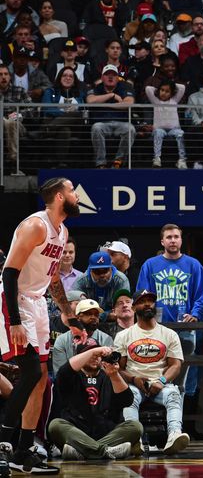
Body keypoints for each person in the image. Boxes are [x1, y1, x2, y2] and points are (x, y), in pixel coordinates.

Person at [0, 178, 85, 474]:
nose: (77, 195)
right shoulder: (35, 226)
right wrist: (14, 322)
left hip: (37, 303)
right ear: (60, 196)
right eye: (73, 190)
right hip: (15, 301)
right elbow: (9, 274)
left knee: (41, 382)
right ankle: (3, 445)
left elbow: (52, 279)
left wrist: (69, 317)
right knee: (31, 371)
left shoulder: (62, 231)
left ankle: (23, 453)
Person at [115, 289, 190, 455]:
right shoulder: (123, 336)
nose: (148, 304)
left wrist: (161, 381)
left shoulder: (169, 334)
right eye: (142, 301)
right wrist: (134, 379)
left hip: (161, 382)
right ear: (134, 308)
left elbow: (176, 365)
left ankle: (174, 435)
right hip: (134, 382)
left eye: (150, 301)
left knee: (173, 394)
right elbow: (118, 368)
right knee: (129, 397)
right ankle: (134, 439)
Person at [136, 224, 203, 390]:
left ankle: (181, 413)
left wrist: (195, 314)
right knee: (155, 371)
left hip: (185, 327)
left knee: (183, 375)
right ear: (162, 241)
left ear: (181, 240)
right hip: (157, 328)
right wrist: (148, 317)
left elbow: (200, 296)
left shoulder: (193, 265)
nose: (173, 240)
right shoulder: (150, 265)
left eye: (176, 237)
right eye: (169, 237)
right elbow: (142, 295)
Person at [48, 342, 142, 460]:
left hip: (107, 433)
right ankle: (104, 451)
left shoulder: (111, 376)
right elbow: (64, 371)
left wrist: (114, 375)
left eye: (98, 355)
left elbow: (127, 400)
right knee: (55, 425)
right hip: (77, 432)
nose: (95, 357)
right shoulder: (70, 376)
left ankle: (83, 451)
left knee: (135, 426)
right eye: (91, 354)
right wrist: (93, 352)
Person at [87, 65, 135, 168]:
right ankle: (101, 163)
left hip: (121, 123)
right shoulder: (96, 88)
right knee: (96, 128)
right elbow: (90, 101)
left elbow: (128, 103)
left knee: (130, 129)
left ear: (117, 78)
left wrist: (105, 103)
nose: (110, 77)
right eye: (107, 75)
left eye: (113, 75)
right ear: (102, 78)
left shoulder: (124, 87)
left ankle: (118, 161)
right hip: (102, 123)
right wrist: (111, 96)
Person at [51, 298, 113, 373]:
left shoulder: (106, 339)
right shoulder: (62, 340)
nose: (93, 317)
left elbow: (108, 371)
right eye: (88, 313)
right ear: (77, 317)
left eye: (96, 314)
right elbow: (59, 372)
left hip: (98, 382)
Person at [71, 251, 131, 319]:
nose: (102, 275)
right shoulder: (81, 281)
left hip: (114, 322)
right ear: (91, 271)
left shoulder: (121, 280)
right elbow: (76, 308)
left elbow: (123, 307)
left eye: (105, 271)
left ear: (111, 268)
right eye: (97, 272)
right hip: (88, 320)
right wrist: (105, 316)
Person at [145, 80, 188, 168]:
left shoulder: (174, 100)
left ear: (172, 93)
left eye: (167, 91)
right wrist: (160, 85)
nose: (164, 93)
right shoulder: (155, 101)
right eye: (162, 90)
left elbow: (182, 87)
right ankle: (157, 159)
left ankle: (182, 159)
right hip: (160, 129)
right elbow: (148, 88)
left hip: (174, 129)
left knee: (180, 133)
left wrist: (171, 84)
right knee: (158, 132)